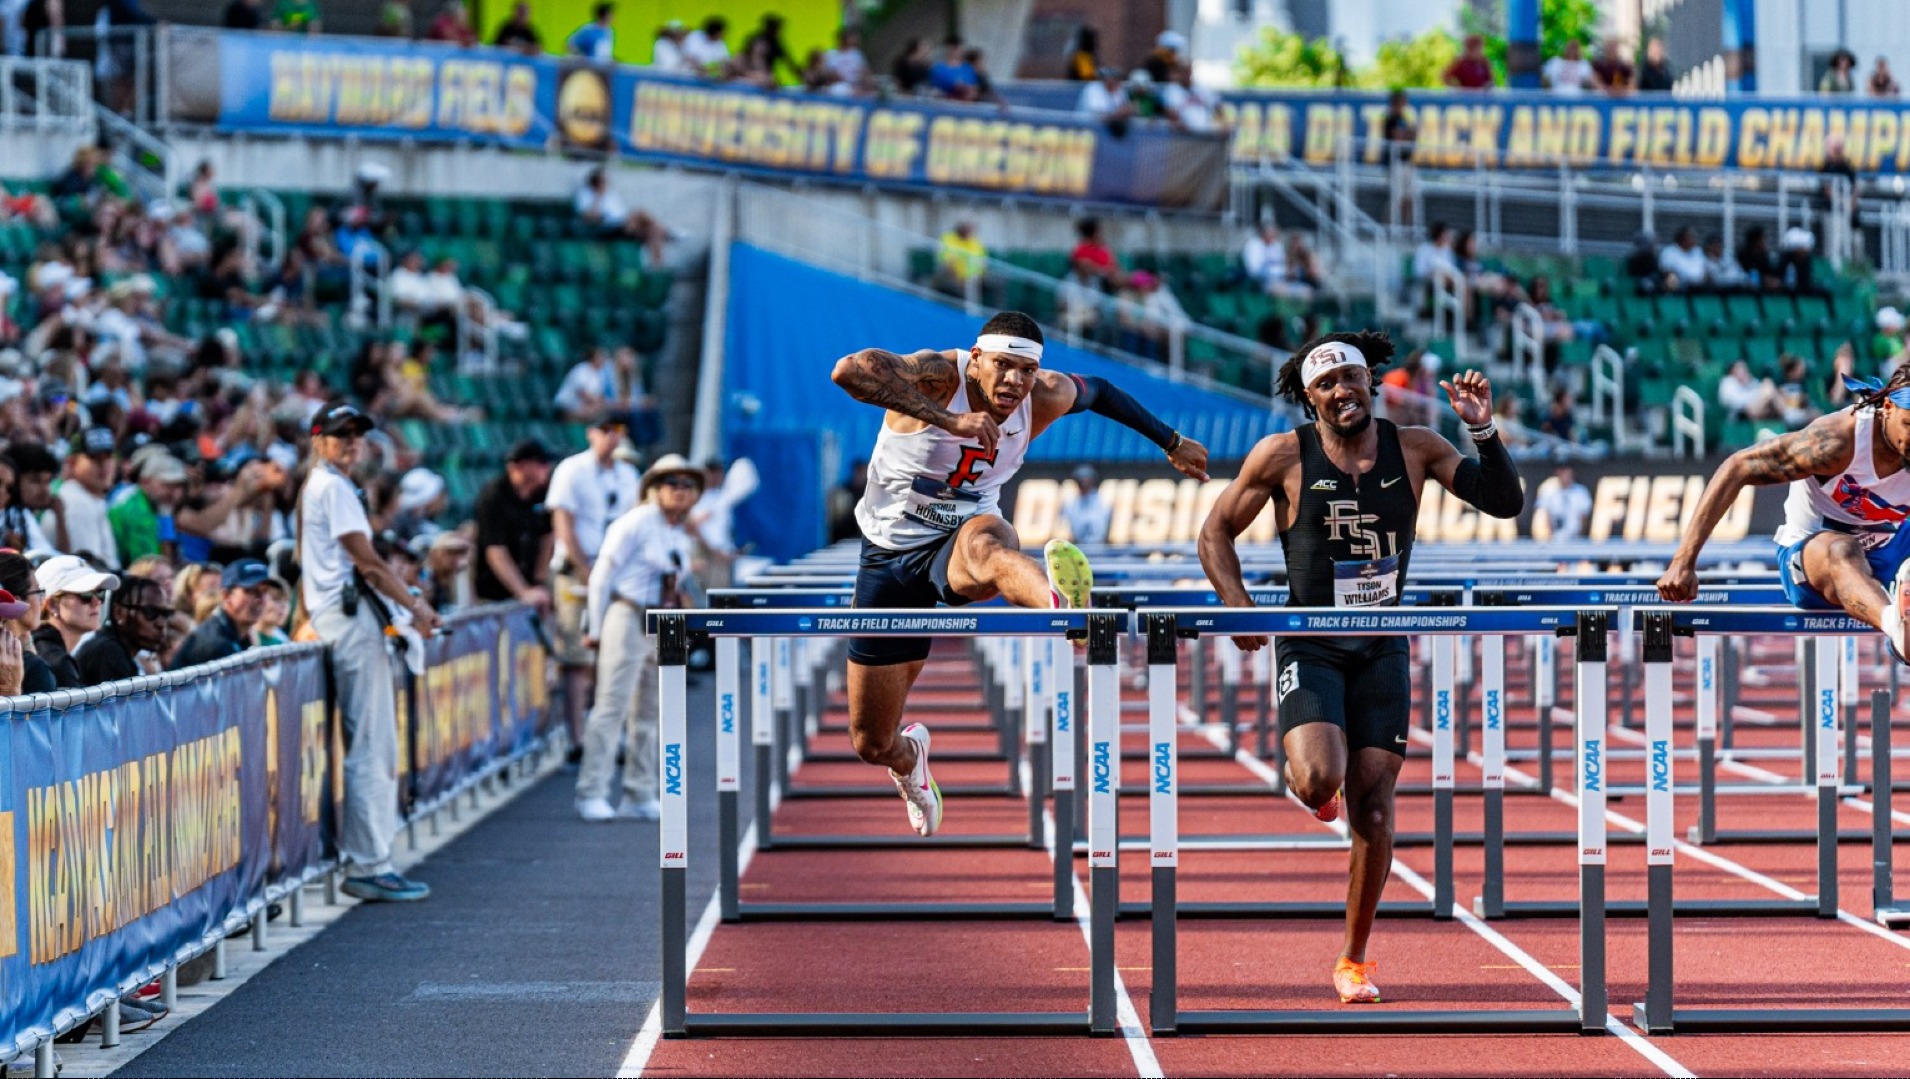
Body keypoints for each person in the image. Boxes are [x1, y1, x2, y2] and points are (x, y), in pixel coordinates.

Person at [1196, 331, 1523, 1005]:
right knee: (1320, 776)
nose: (1342, 389)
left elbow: (1504, 502)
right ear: (1309, 397)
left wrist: (1483, 430)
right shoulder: (1283, 454)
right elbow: (1214, 530)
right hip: (1310, 642)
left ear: (1371, 381)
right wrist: (1240, 608)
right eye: (1327, 383)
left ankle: (1353, 958)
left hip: (1381, 643)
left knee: (1373, 809)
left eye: (1351, 376)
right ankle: (1316, 779)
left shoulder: (1417, 447)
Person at [832, 311, 1210, 835]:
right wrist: (948, 421)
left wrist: (1170, 442)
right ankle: (910, 757)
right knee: (870, 741)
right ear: (978, 358)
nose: (1014, 381)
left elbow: (1100, 391)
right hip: (888, 554)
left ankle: (1064, 609)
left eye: (1026, 370)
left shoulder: (1046, 394)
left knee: (989, 548)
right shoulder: (938, 374)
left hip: (964, 532)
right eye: (1003, 367)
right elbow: (849, 371)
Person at [1658, 365, 1910, 661]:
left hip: (1889, 543)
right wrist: (1683, 562)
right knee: (1843, 548)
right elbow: (1738, 467)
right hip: (1815, 555)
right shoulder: (1838, 440)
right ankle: (1897, 627)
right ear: (1889, 408)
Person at [298, 403, 442, 903]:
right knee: (372, 743)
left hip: (338, 614)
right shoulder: (332, 487)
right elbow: (369, 563)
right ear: (318, 440)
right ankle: (368, 863)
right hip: (351, 616)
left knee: (368, 740)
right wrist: (416, 605)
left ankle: (370, 858)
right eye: (340, 435)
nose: (351, 443)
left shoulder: (321, 485)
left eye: (356, 435)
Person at [575, 455, 703, 821]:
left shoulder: (678, 529)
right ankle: (592, 791)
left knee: (650, 709)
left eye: (687, 485)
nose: (680, 491)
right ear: (654, 488)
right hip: (627, 613)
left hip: (662, 621)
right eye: (672, 483)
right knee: (611, 705)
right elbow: (601, 574)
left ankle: (639, 790)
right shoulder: (634, 522)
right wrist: (595, 628)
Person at [547, 416, 640, 757]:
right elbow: (563, 525)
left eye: (619, 431)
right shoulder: (571, 470)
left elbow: (635, 525)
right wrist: (589, 573)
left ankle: (608, 734)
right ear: (591, 433)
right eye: (606, 431)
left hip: (614, 572)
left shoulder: (627, 475)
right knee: (577, 656)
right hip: (578, 570)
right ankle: (577, 739)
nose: (612, 438)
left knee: (613, 656)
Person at [474, 439, 554, 608]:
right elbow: (495, 549)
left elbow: (547, 537)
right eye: (541, 463)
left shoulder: (542, 493)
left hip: (530, 580)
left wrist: (539, 580)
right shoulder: (493, 496)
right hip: (494, 588)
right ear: (522, 466)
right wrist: (522, 591)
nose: (546, 468)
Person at [34, 554, 118, 688]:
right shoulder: (56, 662)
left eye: (100, 593)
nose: (96, 602)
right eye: (86, 594)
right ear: (52, 605)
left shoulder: (47, 650)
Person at [170, 558, 268, 671]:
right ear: (226, 595)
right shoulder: (216, 644)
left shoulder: (237, 634)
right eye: (250, 591)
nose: (260, 599)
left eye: (264, 591)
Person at [75, 573, 167, 684]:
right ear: (119, 613)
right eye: (150, 612)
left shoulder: (114, 649)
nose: (161, 624)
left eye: (166, 614)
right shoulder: (108, 653)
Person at [47, 426, 119, 567]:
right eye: (94, 458)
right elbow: (88, 570)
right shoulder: (76, 503)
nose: (103, 465)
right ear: (72, 463)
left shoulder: (90, 498)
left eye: (108, 457)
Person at [108, 450, 186, 564]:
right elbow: (147, 565)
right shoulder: (135, 510)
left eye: (177, 485)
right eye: (167, 485)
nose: (173, 493)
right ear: (145, 482)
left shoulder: (160, 505)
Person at [0, 552, 55, 693]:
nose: (42, 600)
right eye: (38, 592)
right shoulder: (33, 667)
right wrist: (11, 692)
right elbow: (41, 716)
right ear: (18, 600)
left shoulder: (31, 663)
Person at [1534, 463, 1592, 540]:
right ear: (1558, 473)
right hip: (1553, 538)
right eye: (1563, 473)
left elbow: (1584, 517)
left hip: (1575, 538)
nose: (1566, 476)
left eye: (1568, 473)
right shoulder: (1548, 490)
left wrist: (1580, 535)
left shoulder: (1581, 491)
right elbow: (1544, 515)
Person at [1061, 464, 1112, 545]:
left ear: (1092, 481)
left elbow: (1101, 529)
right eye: (1080, 481)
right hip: (1079, 546)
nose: (1084, 483)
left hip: (1100, 547)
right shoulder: (1071, 505)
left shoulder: (1103, 501)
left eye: (1087, 480)